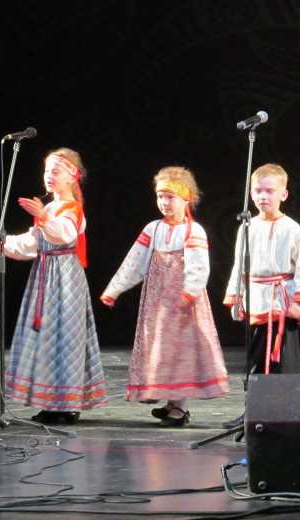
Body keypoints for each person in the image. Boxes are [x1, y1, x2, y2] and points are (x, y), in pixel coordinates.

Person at [0, 148, 108, 424]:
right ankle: (51, 402)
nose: (49, 176)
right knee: (47, 338)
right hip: (45, 276)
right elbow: (31, 243)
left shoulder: (72, 209)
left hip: (66, 279)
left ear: (73, 176)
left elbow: (63, 235)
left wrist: (43, 218)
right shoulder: (49, 209)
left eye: (56, 171)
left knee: (66, 338)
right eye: (47, 171)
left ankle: (68, 405)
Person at [100, 166, 230, 427]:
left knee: (181, 351)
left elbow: (198, 266)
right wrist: (114, 289)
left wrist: (190, 292)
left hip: (182, 302)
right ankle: (170, 402)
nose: (164, 202)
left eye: (170, 197)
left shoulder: (193, 230)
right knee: (160, 348)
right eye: (160, 196)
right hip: (157, 302)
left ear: (186, 198)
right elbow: (135, 261)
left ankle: (180, 408)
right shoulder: (153, 228)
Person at [221, 163, 300, 429]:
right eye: (258, 191)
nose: (263, 196)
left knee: (281, 360)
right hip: (257, 299)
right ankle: (253, 410)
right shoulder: (247, 227)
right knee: (255, 357)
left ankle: (285, 412)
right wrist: (236, 296)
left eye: (269, 191)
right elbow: (239, 264)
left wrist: (299, 301)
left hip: (282, 302)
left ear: (283, 194)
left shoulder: (291, 228)